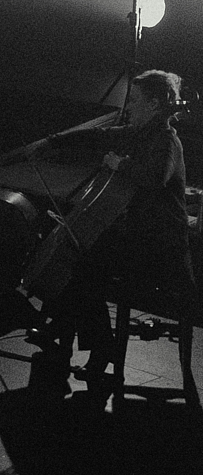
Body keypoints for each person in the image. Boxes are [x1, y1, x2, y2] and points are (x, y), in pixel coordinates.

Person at [30, 68, 197, 399]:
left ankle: (89, 342)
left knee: (88, 265)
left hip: (162, 247)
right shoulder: (139, 134)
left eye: (134, 100)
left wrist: (119, 165)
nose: (129, 107)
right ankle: (68, 331)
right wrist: (54, 142)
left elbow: (155, 178)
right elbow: (100, 137)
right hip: (139, 236)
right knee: (84, 254)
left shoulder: (166, 140)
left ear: (152, 104)